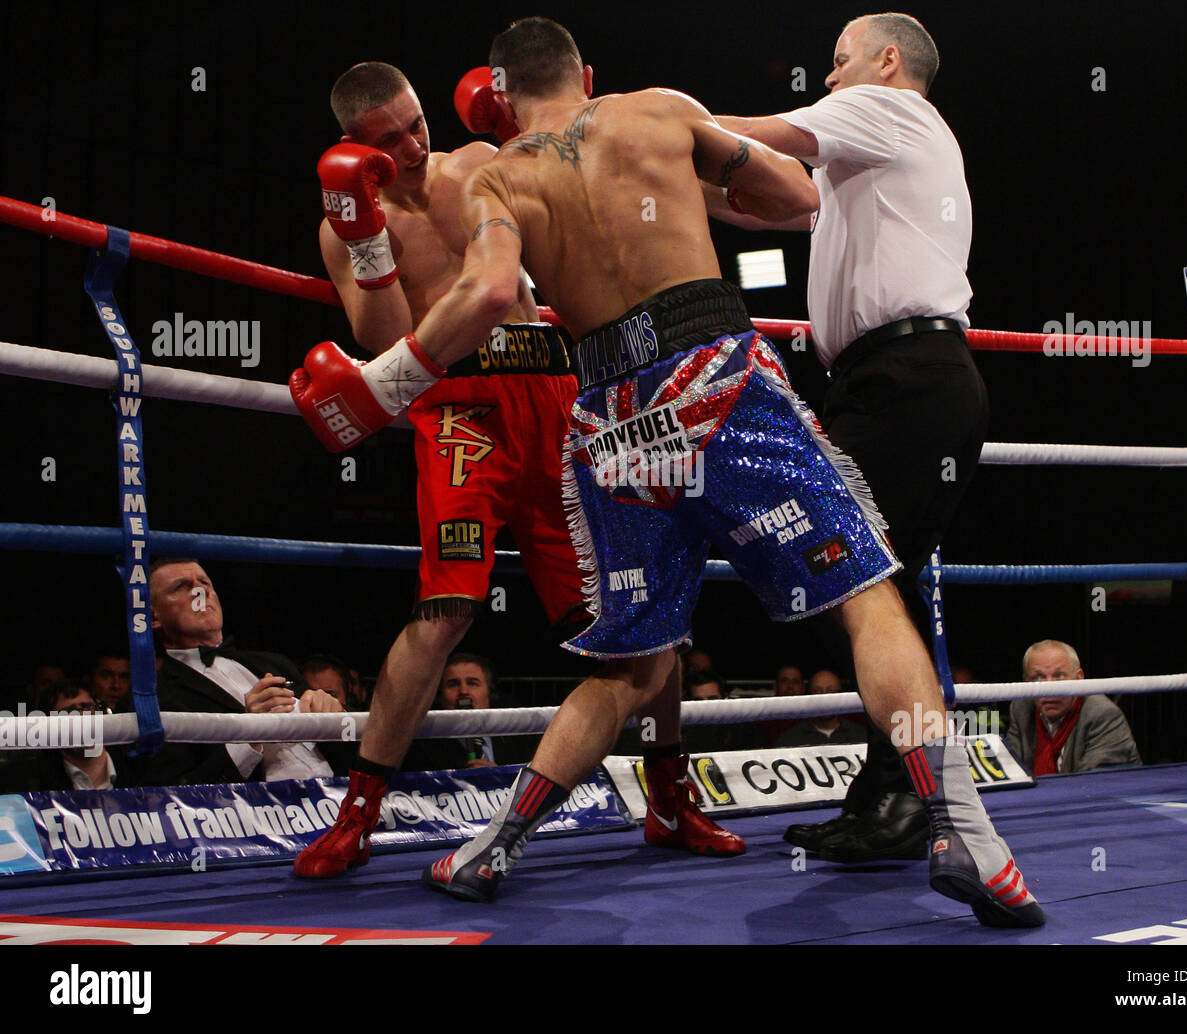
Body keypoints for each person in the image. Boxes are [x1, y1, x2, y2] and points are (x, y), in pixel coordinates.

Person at [293, 17, 1043, 928]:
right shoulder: (657, 112)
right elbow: (796, 200)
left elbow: (487, 294)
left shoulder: (496, 174)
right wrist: (689, 173)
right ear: (587, 72)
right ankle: (964, 829)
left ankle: (492, 847)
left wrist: (378, 391)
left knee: (629, 660)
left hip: (607, 415)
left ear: (497, 97)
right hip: (715, 376)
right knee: (866, 591)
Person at [292, 61, 742, 878]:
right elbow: (384, 340)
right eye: (388, 141)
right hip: (460, 416)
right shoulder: (345, 224)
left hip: (557, 397)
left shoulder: (477, 165)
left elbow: (577, 217)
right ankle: (356, 816)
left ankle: (670, 799)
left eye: (416, 123)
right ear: (355, 146)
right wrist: (366, 235)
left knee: (635, 613)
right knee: (446, 612)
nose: (413, 146)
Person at [710, 12, 989, 865]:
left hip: (907, 383)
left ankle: (911, 795)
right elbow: (760, 199)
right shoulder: (872, 158)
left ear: (887, 61)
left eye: (839, 63)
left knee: (848, 583)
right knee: (871, 589)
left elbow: (752, 136)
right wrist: (645, 191)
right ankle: (886, 795)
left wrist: (632, 122)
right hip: (894, 385)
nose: (829, 80)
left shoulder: (891, 111)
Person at [142, 558, 349, 786]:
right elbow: (174, 795)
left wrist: (333, 713)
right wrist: (249, 736)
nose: (200, 591)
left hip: (341, 798)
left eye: (205, 583)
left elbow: (352, 746)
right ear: (153, 617)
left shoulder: (274, 663)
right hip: (258, 815)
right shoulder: (156, 698)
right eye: (182, 587)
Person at [1005, 640, 1142, 774]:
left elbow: (1097, 782)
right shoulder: (1021, 709)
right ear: (1025, 682)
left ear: (1079, 678)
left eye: (1059, 676)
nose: (1049, 688)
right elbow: (1009, 769)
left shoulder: (1102, 713)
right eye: (1038, 678)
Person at [776, 670, 870, 747]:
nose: (824, 696)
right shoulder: (790, 739)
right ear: (809, 695)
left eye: (831, 691)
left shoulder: (861, 736)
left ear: (840, 696)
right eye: (817, 691)